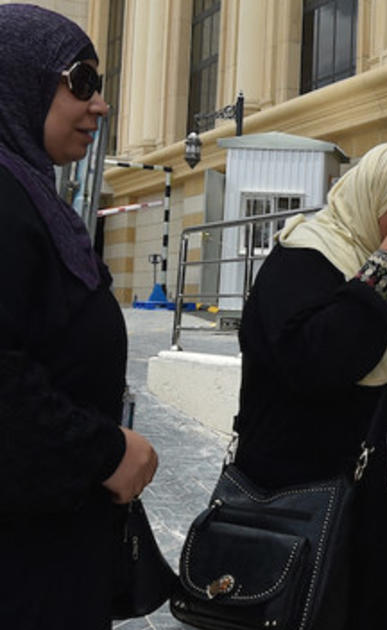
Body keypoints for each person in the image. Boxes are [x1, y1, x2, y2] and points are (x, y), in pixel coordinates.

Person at [234, 141, 387, 629]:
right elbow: (315, 362)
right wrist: (382, 274)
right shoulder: (305, 259)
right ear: (369, 198)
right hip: (326, 508)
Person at [0, 5, 159, 628]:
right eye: (82, 83)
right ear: (23, 79)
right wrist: (103, 452)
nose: (100, 107)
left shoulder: (30, 190)